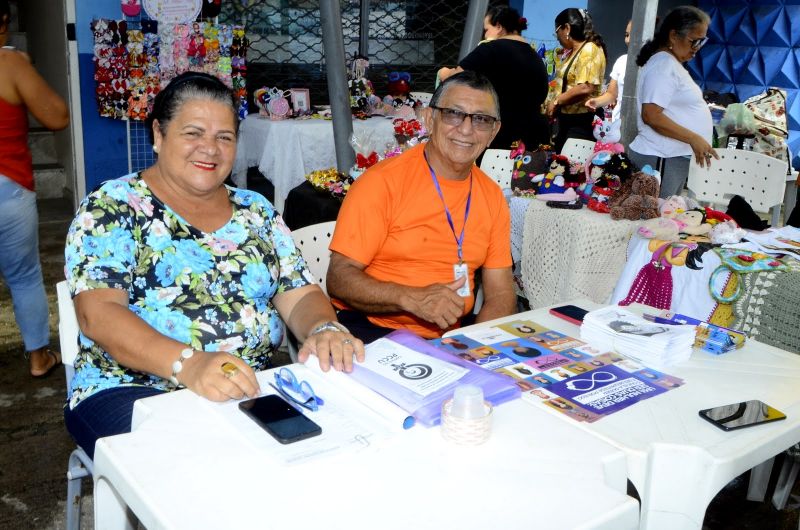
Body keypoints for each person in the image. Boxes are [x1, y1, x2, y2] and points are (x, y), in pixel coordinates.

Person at [63, 72, 364, 459]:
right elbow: (98, 314)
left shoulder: (256, 210)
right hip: (129, 387)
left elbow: (300, 292)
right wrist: (188, 364)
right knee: (205, 465)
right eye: (193, 133)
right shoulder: (113, 206)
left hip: (246, 387)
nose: (210, 149)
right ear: (158, 134)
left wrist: (323, 328)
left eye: (225, 137)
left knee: (336, 444)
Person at [327, 71, 517, 342]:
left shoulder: (492, 196)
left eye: (481, 120)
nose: (466, 129)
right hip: (374, 329)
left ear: (493, 132)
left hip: (455, 337)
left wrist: (473, 349)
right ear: (429, 119)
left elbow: (500, 295)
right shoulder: (382, 183)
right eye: (453, 113)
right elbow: (339, 277)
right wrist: (409, 298)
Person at [0, 0, 69, 377]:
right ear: (4, 21)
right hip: (7, 186)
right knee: (24, 276)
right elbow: (57, 115)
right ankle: (39, 358)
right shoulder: (8, 63)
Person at [628, 6, 718, 199]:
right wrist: (693, 138)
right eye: (694, 41)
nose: (697, 49)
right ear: (674, 36)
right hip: (659, 158)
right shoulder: (663, 65)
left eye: (702, 42)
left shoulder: (668, 64)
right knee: (650, 223)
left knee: (660, 220)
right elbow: (651, 115)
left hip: (667, 158)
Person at [437, 6, 549, 150]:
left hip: (499, 139)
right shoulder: (536, 58)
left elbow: (456, 77)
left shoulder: (491, 49)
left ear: (499, 27)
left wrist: (443, 72)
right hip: (532, 140)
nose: (485, 35)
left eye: (487, 29)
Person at [545, 8, 607, 152]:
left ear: (566, 28)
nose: (557, 37)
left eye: (557, 32)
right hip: (567, 122)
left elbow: (586, 87)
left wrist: (557, 101)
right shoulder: (573, 53)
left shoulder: (589, 49)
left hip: (581, 123)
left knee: (573, 169)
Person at [585, 20, 632, 126]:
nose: (628, 40)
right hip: (619, 124)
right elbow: (611, 94)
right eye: (627, 35)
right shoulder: (622, 61)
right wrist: (596, 102)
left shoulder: (655, 63)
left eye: (633, 35)